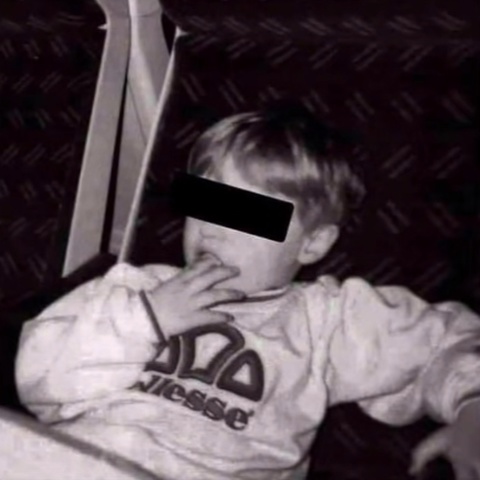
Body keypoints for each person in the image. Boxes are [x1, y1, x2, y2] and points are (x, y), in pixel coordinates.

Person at [15, 105, 480, 480]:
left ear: (313, 243)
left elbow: (444, 339)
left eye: (246, 214)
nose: (211, 230)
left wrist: (472, 409)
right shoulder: (135, 287)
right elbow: (36, 380)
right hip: (81, 460)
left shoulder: (326, 320)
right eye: (205, 203)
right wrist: (144, 320)